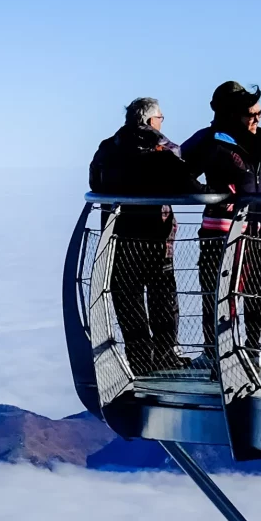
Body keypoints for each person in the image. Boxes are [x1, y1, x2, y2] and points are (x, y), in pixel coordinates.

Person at [88, 96, 197, 374]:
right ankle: (164, 356)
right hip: (156, 237)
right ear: (150, 120)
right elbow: (184, 180)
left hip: (118, 236)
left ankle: (139, 361)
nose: (161, 122)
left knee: (127, 299)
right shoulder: (160, 147)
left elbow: (94, 182)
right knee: (163, 297)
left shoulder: (107, 149)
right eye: (160, 118)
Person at [181, 81, 261, 370]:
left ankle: (251, 350)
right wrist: (212, 191)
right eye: (251, 114)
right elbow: (182, 172)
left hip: (254, 229)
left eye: (260, 113)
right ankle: (219, 352)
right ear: (233, 113)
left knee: (252, 291)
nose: (257, 120)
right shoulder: (210, 141)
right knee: (217, 292)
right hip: (220, 229)